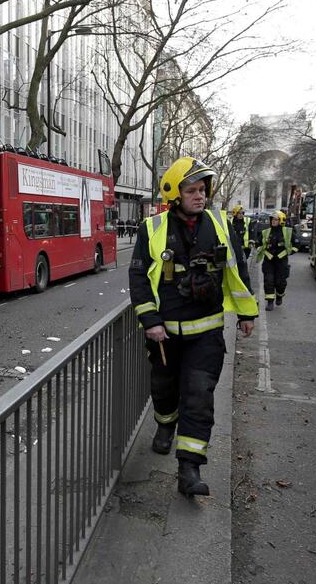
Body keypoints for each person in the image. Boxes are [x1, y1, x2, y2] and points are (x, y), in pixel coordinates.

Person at [129, 157, 257, 497]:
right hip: (165, 334)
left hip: (207, 335)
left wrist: (247, 314)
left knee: (199, 396)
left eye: (202, 190)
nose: (199, 196)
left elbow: (237, 267)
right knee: (165, 390)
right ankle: (164, 426)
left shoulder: (220, 224)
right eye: (191, 190)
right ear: (175, 194)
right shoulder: (152, 229)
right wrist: (151, 321)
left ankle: (190, 468)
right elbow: (139, 278)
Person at [255, 211, 295, 311]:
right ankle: (270, 302)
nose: (273, 221)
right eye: (272, 219)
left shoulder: (288, 232)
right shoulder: (266, 232)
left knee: (280, 282)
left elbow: (296, 245)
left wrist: (287, 253)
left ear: (281, 221)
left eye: (276, 219)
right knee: (268, 281)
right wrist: (258, 246)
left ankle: (280, 295)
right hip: (269, 261)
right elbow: (259, 243)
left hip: (281, 262)